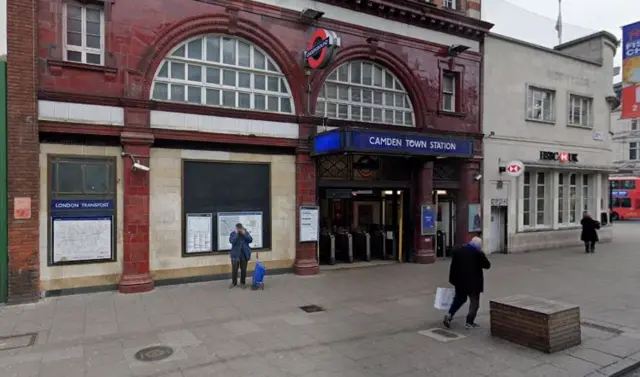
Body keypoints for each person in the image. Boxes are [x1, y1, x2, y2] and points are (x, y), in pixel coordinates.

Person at [443, 236, 491, 329]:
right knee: (474, 303)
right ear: (479, 245)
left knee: (459, 299)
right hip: (473, 283)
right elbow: (487, 265)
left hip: (460, 281)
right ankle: (469, 322)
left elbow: (453, 265)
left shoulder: (459, 250)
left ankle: (449, 315)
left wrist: (452, 279)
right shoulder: (478, 253)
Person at [229, 223, 253, 288]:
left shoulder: (245, 233)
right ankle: (234, 283)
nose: (239, 230)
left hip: (244, 255)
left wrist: (244, 233)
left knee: (243, 270)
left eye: (240, 228)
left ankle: (242, 283)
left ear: (242, 227)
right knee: (234, 270)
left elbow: (250, 240)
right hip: (235, 255)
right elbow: (232, 241)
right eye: (238, 228)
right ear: (236, 228)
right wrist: (237, 234)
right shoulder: (233, 233)